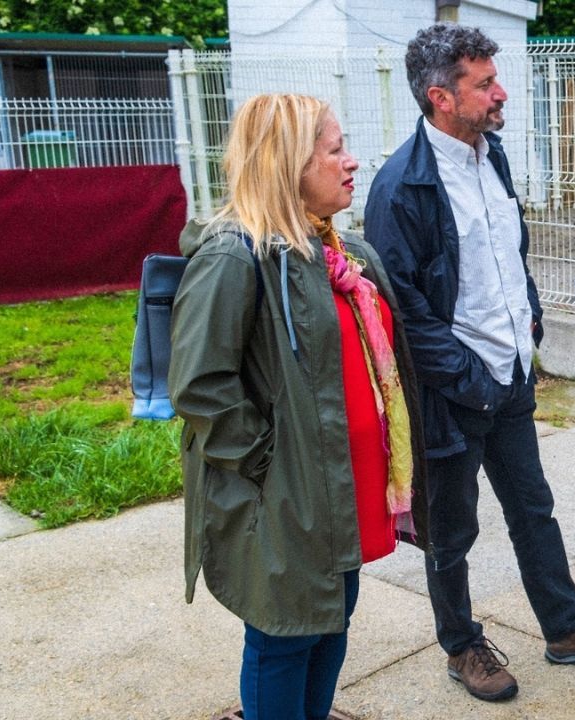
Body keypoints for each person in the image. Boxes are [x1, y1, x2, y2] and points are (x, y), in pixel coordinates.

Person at [363, 23, 575, 703]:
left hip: (511, 374)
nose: (500, 92)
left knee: (534, 509)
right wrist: (465, 379)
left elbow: (505, 257)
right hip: (453, 390)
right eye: (484, 83)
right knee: (451, 530)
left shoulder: (493, 156)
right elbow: (406, 312)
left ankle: (565, 627)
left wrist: (529, 326)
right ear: (441, 96)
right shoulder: (401, 189)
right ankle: (462, 646)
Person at [170, 94, 430, 720]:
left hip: (346, 488)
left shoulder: (340, 255)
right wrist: (267, 465)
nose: (353, 162)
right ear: (288, 163)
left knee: (332, 618)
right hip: (287, 492)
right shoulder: (237, 255)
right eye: (336, 149)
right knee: (284, 636)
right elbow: (200, 383)